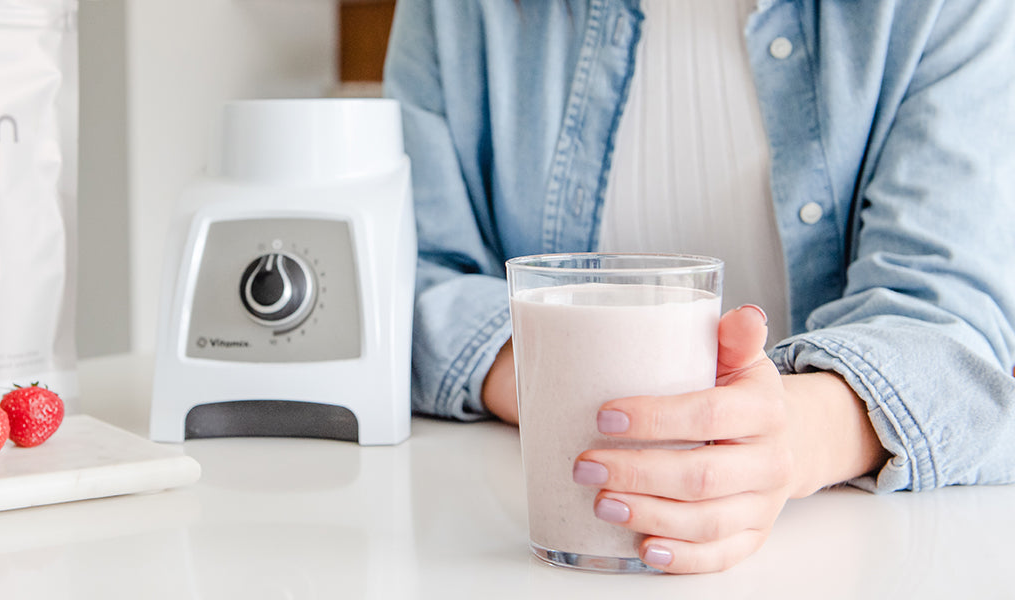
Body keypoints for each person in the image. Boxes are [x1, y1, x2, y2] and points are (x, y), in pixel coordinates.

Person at [382, 0, 1015, 574]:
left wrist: (788, 436)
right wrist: (569, 395)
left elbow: (958, 322)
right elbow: (401, 274)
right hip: (532, 534)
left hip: (849, 556)